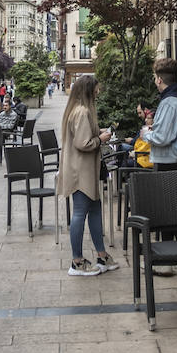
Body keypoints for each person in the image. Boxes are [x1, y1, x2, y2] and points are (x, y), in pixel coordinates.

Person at [138, 57, 177, 264]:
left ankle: (169, 261)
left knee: (166, 214)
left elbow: (162, 138)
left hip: (170, 162)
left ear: (159, 80)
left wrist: (146, 133)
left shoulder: (169, 102)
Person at [57, 75, 117, 276]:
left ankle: (101, 255)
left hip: (85, 170)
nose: (98, 92)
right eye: (96, 89)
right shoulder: (82, 112)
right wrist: (99, 139)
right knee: (80, 213)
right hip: (80, 171)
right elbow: (83, 143)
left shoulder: (77, 110)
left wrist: (96, 132)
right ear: (89, 91)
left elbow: (80, 136)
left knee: (94, 210)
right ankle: (76, 261)